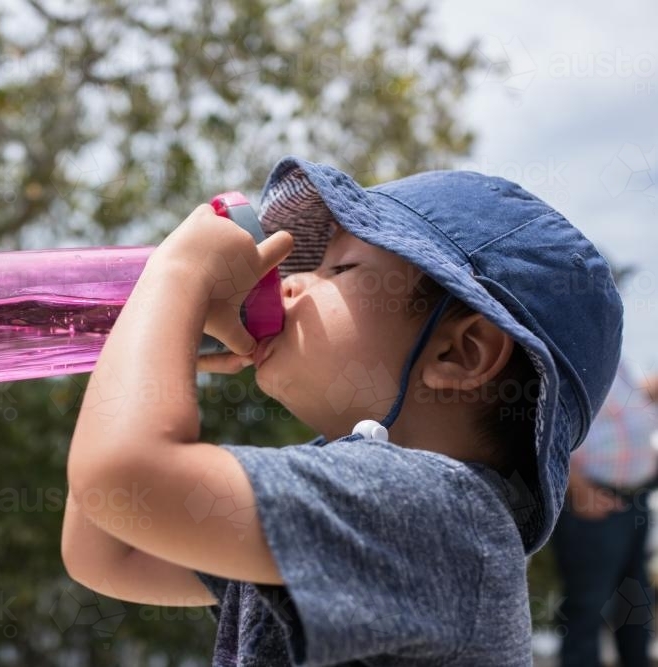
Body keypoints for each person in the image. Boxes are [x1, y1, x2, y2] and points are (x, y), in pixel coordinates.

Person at [60, 155, 624, 665]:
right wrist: (160, 335)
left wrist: (175, 277)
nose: (286, 286)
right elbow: (112, 551)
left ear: (460, 351)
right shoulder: (358, 493)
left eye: (338, 270)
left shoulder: (439, 516)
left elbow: (121, 483)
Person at [552, 354, 658, 667]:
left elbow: (628, 406)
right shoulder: (565, 358)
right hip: (593, 505)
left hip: (633, 500)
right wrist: (578, 488)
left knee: (635, 604)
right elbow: (545, 428)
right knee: (587, 608)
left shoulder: (613, 355)